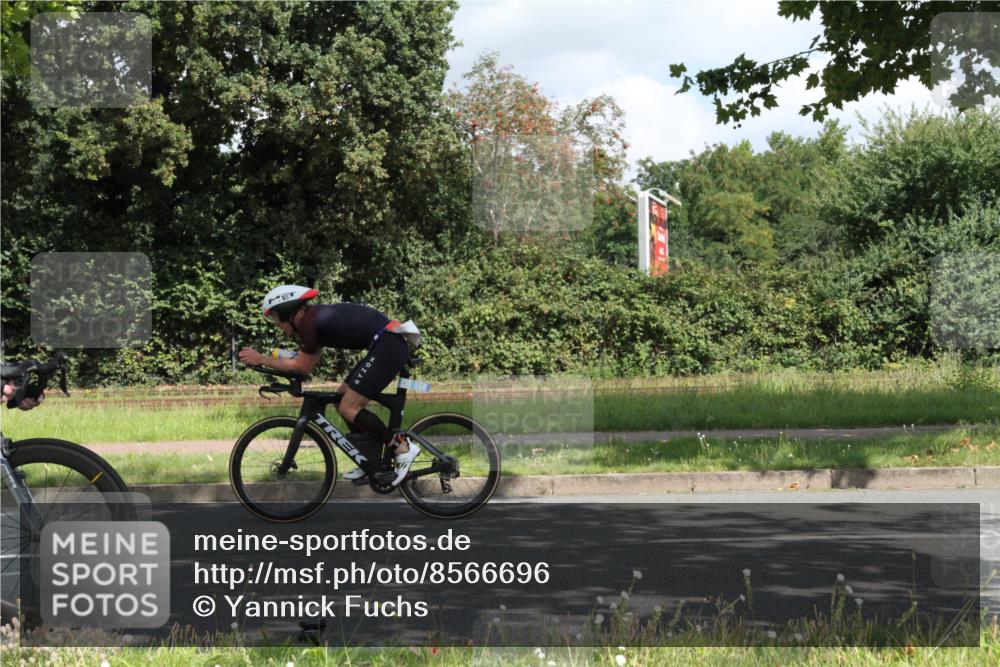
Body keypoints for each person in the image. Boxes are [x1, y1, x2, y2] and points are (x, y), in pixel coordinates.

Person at [238, 285, 420, 486]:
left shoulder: (309, 323)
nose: (276, 324)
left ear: (286, 311)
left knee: (349, 407)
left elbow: (302, 366)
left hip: (388, 346)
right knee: (340, 399)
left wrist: (262, 359)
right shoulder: (312, 321)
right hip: (384, 344)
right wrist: (274, 363)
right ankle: (369, 459)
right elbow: (305, 365)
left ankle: (402, 448)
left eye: (274, 318)